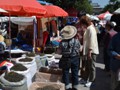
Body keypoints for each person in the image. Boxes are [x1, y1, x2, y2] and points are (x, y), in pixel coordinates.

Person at [57, 25, 81, 90]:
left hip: (65, 58)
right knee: (75, 73)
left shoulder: (62, 42)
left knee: (65, 73)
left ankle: (67, 87)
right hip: (75, 58)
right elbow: (80, 49)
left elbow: (59, 52)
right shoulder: (76, 41)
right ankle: (75, 87)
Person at [80, 16, 99, 87]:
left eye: (82, 23)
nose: (82, 25)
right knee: (87, 66)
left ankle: (92, 80)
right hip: (89, 50)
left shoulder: (91, 29)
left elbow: (92, 40)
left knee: (91, 66)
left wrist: (90, 51)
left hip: (91, 51)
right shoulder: (89, 28)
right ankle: (85, 79)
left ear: (85, 23)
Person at [108, 25, 120, 90]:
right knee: (114, 85)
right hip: (116, 65)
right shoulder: (116, 37)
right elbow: (109, 50)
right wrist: (116, 55)